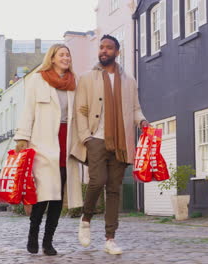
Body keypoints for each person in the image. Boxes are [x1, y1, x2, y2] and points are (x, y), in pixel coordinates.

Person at [71, 35, 149, 255]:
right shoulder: (87, 78)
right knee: (98, 181)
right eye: (101, 47)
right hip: (96, 138)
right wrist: (86, 136)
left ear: (117, 52)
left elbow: (135, 109)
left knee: (114, 190)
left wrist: (141, 121)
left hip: (122, 141)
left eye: (109, 48)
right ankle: (86, 219)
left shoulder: (129, 80)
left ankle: (110, 238)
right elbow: (81, 109)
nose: (104, 51)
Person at [14, 44, 83, 256]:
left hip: (66, 142)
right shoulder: (38, 79)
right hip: (43, 143)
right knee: (43, 194)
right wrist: (22, 137)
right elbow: (28, 110)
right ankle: (32, 236)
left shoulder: (74, 82)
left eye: (68, 55)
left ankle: (48, 241)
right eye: (62, 54)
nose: (66, 58)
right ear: (52, 58)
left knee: (57, 197)